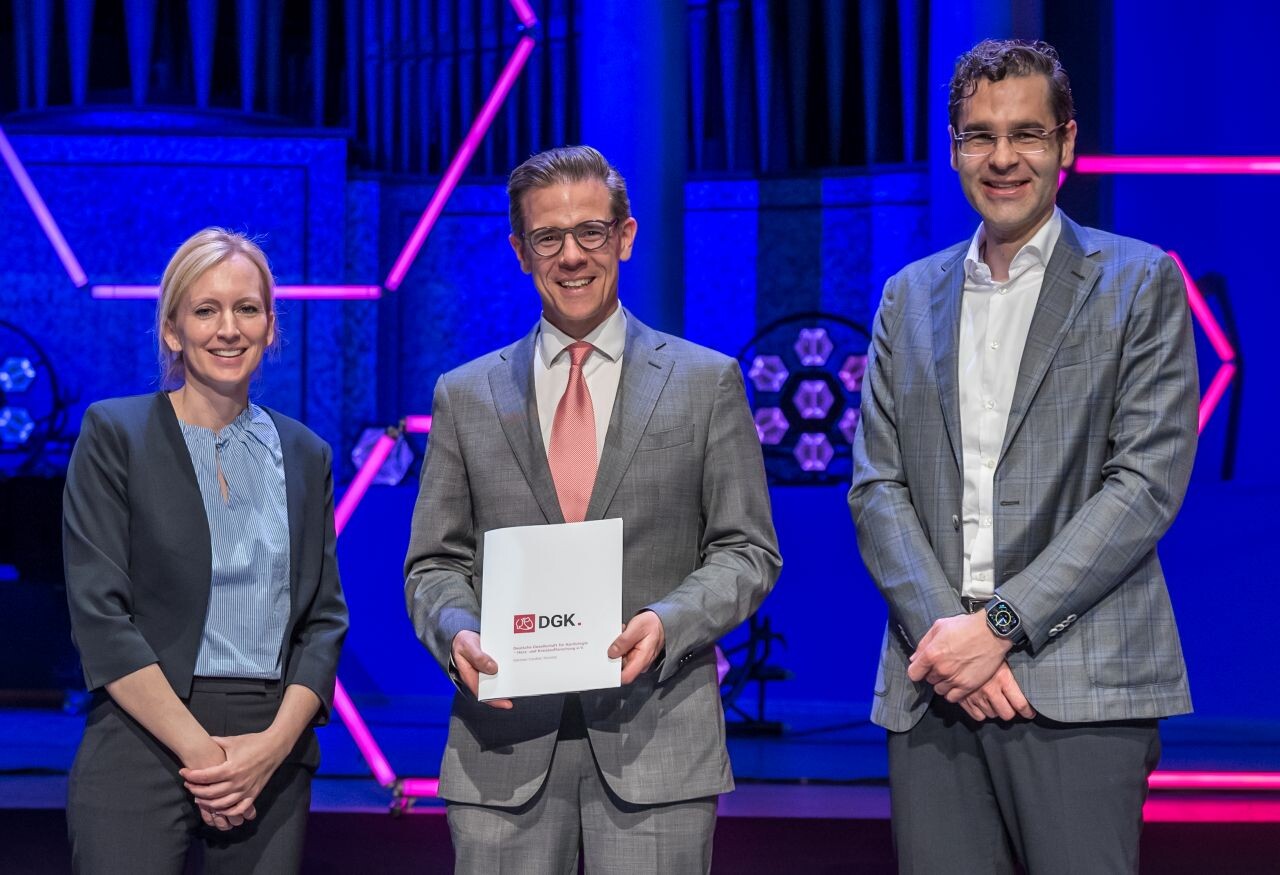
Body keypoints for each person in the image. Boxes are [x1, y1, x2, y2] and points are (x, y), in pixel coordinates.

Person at [848, 39, 1198, 874]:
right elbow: (876, 488)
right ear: (955, 144)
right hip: (934, 681)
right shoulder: (907, 295)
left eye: (1028, 134)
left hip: (1079, 681)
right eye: (980, 135)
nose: (1003, 158)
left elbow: (1144, 484)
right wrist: (953, 639)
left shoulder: (1139, 281)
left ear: (1067, 143)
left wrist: (1001, 624)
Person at [405, 144, 781, 873]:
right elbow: (433, 564)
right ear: (520, 251)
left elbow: (748, 551)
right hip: (501, 747)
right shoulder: (465, 394)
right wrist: (455, 631)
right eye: (548, 237)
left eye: (591, 233)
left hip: (658, 739)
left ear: (626, 236)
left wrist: (667, 623)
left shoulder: (707, 383)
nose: (572, 255)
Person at [63, 228, 348, 873]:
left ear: (272, 327)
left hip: (269, 750)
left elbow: (323, 621)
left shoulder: (306, 454)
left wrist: (269, 749)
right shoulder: (116, 433)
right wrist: (206, 755)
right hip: (143, 736)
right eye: (205, 310)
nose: (228, 329)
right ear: (172, 330)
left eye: (247, 309)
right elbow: (101, 617)